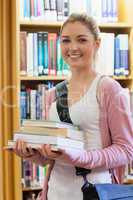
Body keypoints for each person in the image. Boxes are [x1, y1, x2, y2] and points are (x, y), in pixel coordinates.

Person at [14, 13, 133, 200]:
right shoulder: (53, 94)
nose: (73, 48)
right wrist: (33, 154)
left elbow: (126, 150)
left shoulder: (109, 89)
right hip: (55, 193)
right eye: (66, 41)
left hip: (96, 192)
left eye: (82, 40)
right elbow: (51, 158)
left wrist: (81, 158)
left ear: (97, 44)